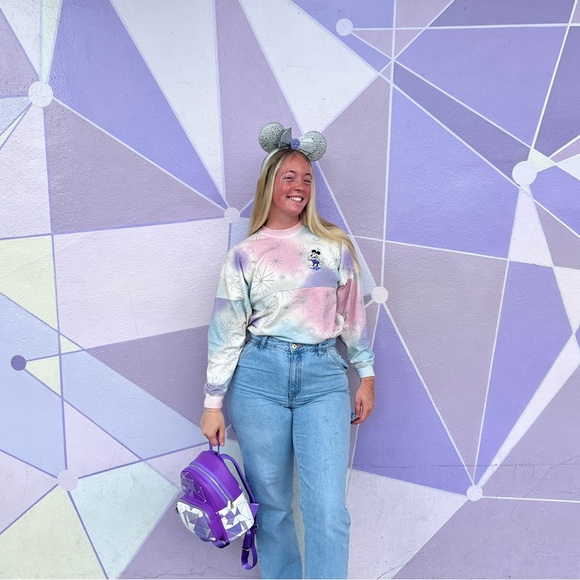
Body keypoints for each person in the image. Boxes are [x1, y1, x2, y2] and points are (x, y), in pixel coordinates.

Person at [200, 123, 375, 579]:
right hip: (259, 379)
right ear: (270, 184)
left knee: (327, 510)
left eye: (306, 179)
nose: (299, 186)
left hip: (323, 379)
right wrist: (213, 403)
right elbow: (226, 332)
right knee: (272, 508)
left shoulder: (333, 248)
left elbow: (353, 316)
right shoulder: (244, 255)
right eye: (289, 177)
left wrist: (366, 375)